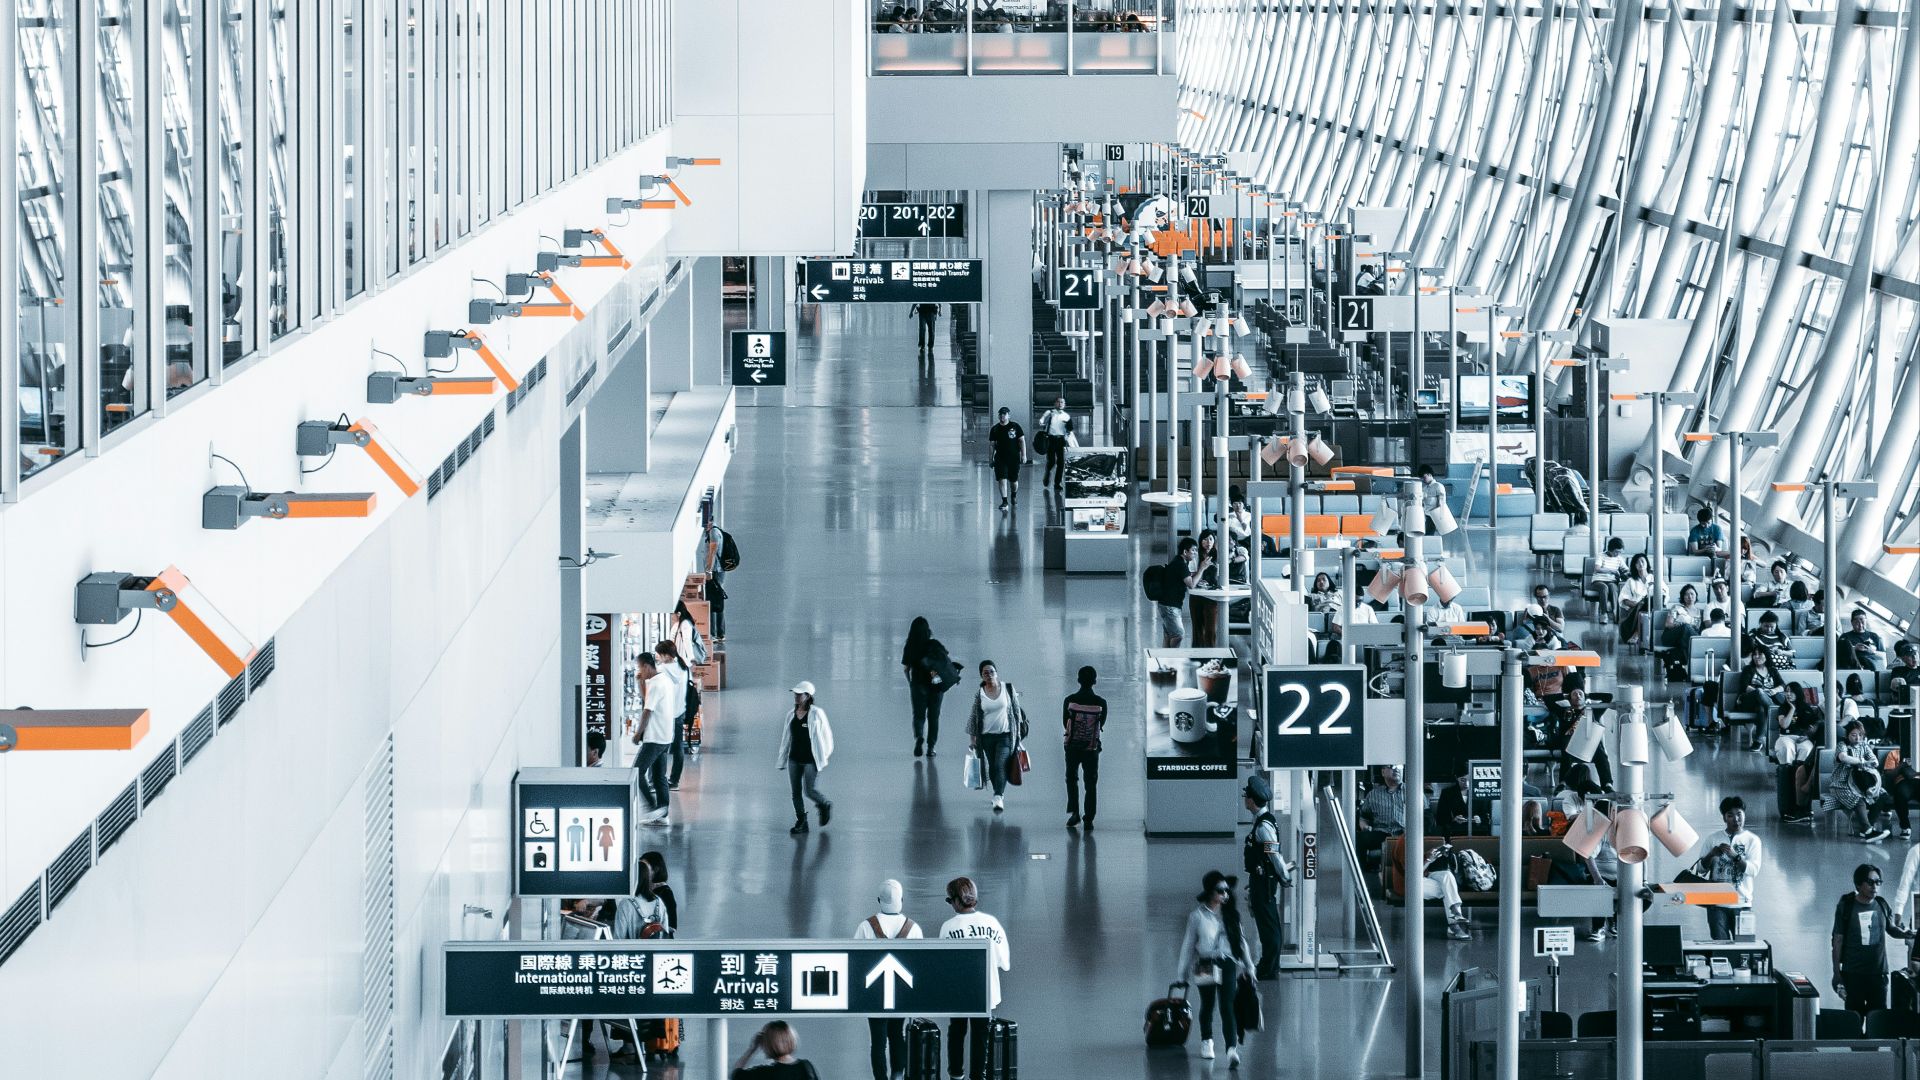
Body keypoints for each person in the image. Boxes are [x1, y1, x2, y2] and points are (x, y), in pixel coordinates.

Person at [1175, 870, 1250, 1067]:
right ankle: (1206, 1040)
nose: (1225, 894)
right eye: (1220, 890)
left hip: (1227, 962)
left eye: (1227, 890)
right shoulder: (1197, 917)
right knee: (1208, 1004)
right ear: (1210, 892)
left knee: (1228, 1005)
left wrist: (1249, 966)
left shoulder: (1231, 915)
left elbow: (1241, 942)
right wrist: (1182, 974)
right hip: (1205, 963)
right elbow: (1188, 946)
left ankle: (1231, 1049)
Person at [939, 877, 1011, 1080]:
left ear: (956, 901)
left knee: (956, 1031)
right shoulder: (992, 923)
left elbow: (944, 964)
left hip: (960, 991)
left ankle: (956, 1073)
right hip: (985, 990)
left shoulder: (949, 927)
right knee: (981, 1035)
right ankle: (978, 1075)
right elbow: (1003, 962)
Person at [855, 880, 922, 1080]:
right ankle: (898, 1075)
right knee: (897, 1034)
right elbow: (919, 962)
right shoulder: (913, 928)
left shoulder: (866, 926)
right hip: (901, 992)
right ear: (901, 900)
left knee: (877, 1041)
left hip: (874, 993)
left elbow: (855, 960)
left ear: (878, 901)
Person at [1833, 863, 1913, 1018]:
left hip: (1878, 975)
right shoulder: (1846, 906)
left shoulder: (1882, 904)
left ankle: (1873, 1044)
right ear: (1858, 884)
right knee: (1854, 1021)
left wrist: (1906, 934)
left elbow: (1891, 929)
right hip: (1853, 975)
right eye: (1870, 882)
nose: (1875, 886)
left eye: (1878, 882)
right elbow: (1837, 941)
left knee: (1877, 1020)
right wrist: (1837, 974)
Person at [1241, 774, 1291, 980]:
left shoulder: (1263, 827)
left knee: (1268, 924)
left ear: (1251, 800)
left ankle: (1268, 967)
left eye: (1246, 796)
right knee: (1266, 922)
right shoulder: (1260, 822)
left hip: (1265, 882)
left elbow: (1274, 854)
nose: (1245, 799)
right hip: (1259, 880)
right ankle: (1268, 964)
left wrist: (1284, 875)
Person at [966, 660, 1028, 813]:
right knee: (993, 767)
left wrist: (1018, 734)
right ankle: (997, 792)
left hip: (1006, 736)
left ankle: (998, 795)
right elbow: (974, 716)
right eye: (985, 673)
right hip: (986, 738)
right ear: (981, 676)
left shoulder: (1008, 688)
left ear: (996, 672)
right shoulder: (980, 694)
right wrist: (973, 737)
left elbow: (1016, 712)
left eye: (991, 671)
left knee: (1000, 764)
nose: (989, 675)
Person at [1698, 797, 1762, 941]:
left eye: (1739, 814)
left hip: (1742, 903)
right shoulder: (1712, 839)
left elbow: (1753, 870)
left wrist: (1736, 857)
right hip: (1716, 904)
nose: (1736, 819)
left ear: (1744, 814)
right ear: (1724, 818)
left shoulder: (1753, 841)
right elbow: (1700, 870)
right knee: (1720, 946)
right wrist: (1711, 855)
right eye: (1730, 815)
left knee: (1744, 949)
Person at [777, 681, 834, 834]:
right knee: (795, 792)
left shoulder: (817, 714)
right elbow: (786, 739)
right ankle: (801, 821)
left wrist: (824, 756)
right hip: (794, 759)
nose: (796, 697)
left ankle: (824, 804)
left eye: (799, 694)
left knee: (809, 790)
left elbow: (827, 736)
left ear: (808, 696)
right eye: (795, 694)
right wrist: (782, 760)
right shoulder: (790, 715)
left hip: (811, 760)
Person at [902, 615, 959, 757]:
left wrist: (911, 683)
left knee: (919, 716)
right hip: (936, 686)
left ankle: (919, 736)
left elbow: (906, 669)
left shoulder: (910, 647)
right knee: (934, 717)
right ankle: (931, 747)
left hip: (918, 685)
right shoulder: (935, 644)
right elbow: (945, 661)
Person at [629, 654, 674, 825]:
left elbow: (647, 710)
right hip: (665, 735)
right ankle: (663, 812)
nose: (639, 671)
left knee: (637, 772)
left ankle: (652, 808)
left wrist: (638, 733)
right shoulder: (664, 680)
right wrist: (640, 682)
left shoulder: (655, 684)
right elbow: (646, 699)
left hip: (654, 737)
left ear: (647, 666)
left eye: (640, 667)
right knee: (658, 776)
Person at [1062, 666, 1107, 829]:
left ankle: (1074, 813)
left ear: (1078, 680)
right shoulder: (1101, 703)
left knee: (1072, 779)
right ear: (1094, 681)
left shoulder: (1069, 700)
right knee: (1091, 782)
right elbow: (1101, 724)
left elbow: (1065, 723)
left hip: (1073, 747)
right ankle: (1089, 817)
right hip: (1091, 748)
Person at [1832, 719, 1890, 841]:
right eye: (1854, 735)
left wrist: (1870, 763)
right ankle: (1867, 830)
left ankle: (1867, 827)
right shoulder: (1842, 745)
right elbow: (1843, 757)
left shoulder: (1864, 745)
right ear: (1847, 735)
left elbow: (1875, 761)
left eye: (1860, 735)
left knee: (1882, 795)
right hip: (1841, 784)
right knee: (1858, 799)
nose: (1857, 738)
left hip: (1859, 784)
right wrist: (1861, 762)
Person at [1732, 649, 1789, 750]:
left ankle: (1758, 741)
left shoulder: (1772, 670)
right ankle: (1776, 711)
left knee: (1761, 708)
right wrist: (1762, 692)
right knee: (1759, 692)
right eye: (1754, 654)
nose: (1756, 656)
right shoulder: (1748, 669)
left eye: (1759, 654)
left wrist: (1774, 690)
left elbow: (1782, 685)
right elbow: (1744, 687)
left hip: (1763, 702)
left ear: (1766, 656)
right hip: (1747, 701)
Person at [655, 641, 691, 790]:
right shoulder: (683, 668)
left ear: (666, 655)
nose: (657, 656)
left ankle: (658, 779)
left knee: (659, 748)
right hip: (680, 712)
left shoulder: (661, 670)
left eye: (659, 653)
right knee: (678, 748)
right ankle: (674, 780)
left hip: (665, 714)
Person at [729, 1021, 820, 1080]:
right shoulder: (806, 1066)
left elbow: (736, 1074)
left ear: (767, 1044)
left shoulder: (766, 1073)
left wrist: (752, 1049)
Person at [1156, 535, 1203, 647]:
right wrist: (1202, 568)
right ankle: (1172, 658)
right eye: (1193, 550)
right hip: (1170, 606)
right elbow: (1191, 584)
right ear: (1185, 552)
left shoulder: (1178, 562)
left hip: (1166, 604)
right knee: (1178, 635)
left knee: (1168, 635)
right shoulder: (1180, 564)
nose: (1195, 553)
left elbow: (1186, 577)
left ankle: (1165, 659)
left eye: (1196, 550)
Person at [1357, 765, 1408, 863]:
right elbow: (1364, 818)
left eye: (1399, 766)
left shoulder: (1413, 791)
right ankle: (1361, 875)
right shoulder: (1373, 794)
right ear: (1383, 772)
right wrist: (1365, 827)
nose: (1396, 768)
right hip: (1381, 833)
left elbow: (1427, 817)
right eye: (1392, 766)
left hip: (1406, 833)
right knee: (1360, 839)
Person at [1190, 529, 1225, 647]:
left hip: (1212, 595)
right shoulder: (1195, 555)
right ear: (1200, 541)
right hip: (1197, 594)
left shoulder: (1219, 555)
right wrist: (1201, 569)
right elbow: (1191, 574)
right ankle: (1197, 654)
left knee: (1210, 629)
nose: (1208, 542)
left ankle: (1210, 655)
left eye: (1210, 539)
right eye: (1205, 539)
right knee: (1197, 628)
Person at [987, 406, 1027, 508]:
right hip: (1000, 458)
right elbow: (992, 445)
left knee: (1013, 481)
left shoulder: (1015, 426)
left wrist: (1024, 455)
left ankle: (1013, 495)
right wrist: (990, 459)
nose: (1002, 416)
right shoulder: (995, 429)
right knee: (1002, 478)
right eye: (1000, 414)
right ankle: (1004, 501)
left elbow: (1021, 441)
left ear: (1009, 415)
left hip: (1014, 458)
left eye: (1004, 414)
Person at [701, 518, 730, 642]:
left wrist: (709, 571)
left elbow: (713, 552)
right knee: (717, 601)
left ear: (710, 522)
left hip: (715, 572)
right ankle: (719, 633)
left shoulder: (713, 533)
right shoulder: (715, 532)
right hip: (717, 571)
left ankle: (714, 633)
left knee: (713, 602)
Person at [1036, 396, 1073, 489]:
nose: (1060, 404)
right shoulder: (1050, 413)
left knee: (1061, 463)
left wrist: (1067, 436)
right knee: (1051, 461)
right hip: (1051, 440)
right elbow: (1042, 420)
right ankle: (1047, 473)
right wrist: (1042, 422)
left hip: (1061, 440)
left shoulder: (1066, 416)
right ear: (1055, 403)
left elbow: (1070, 429)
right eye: (1058, 402)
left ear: (1064, 405)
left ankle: (1057, 483)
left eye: (1062, 402)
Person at [1617, 553, 1653, 645]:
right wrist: (1639, 605)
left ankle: (1637, 633)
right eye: (1637, 562)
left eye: (1642, 561)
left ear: (1647, 563)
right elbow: (1624, 599)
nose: (1640, 564)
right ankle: (1636, 632)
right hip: (1634, 612)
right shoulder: (1631, 581)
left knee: (1649, 601)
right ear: (1634, 566)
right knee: (1643, 604)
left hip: (1652, 608)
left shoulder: (1654, 578)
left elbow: (1664, 595)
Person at [1659, 583, 1702, 654]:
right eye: (1686, 594)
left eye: (1692, 594)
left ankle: (1687, 660)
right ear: (1683, 597)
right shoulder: (1676, 608)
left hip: (1689, 639)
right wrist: (1680, 625)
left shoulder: (1700, 612)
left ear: (1696, 595)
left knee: (1688, 634)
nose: (1690, 597)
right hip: (1671, 637)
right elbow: (1668, 624)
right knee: (1685, 627)